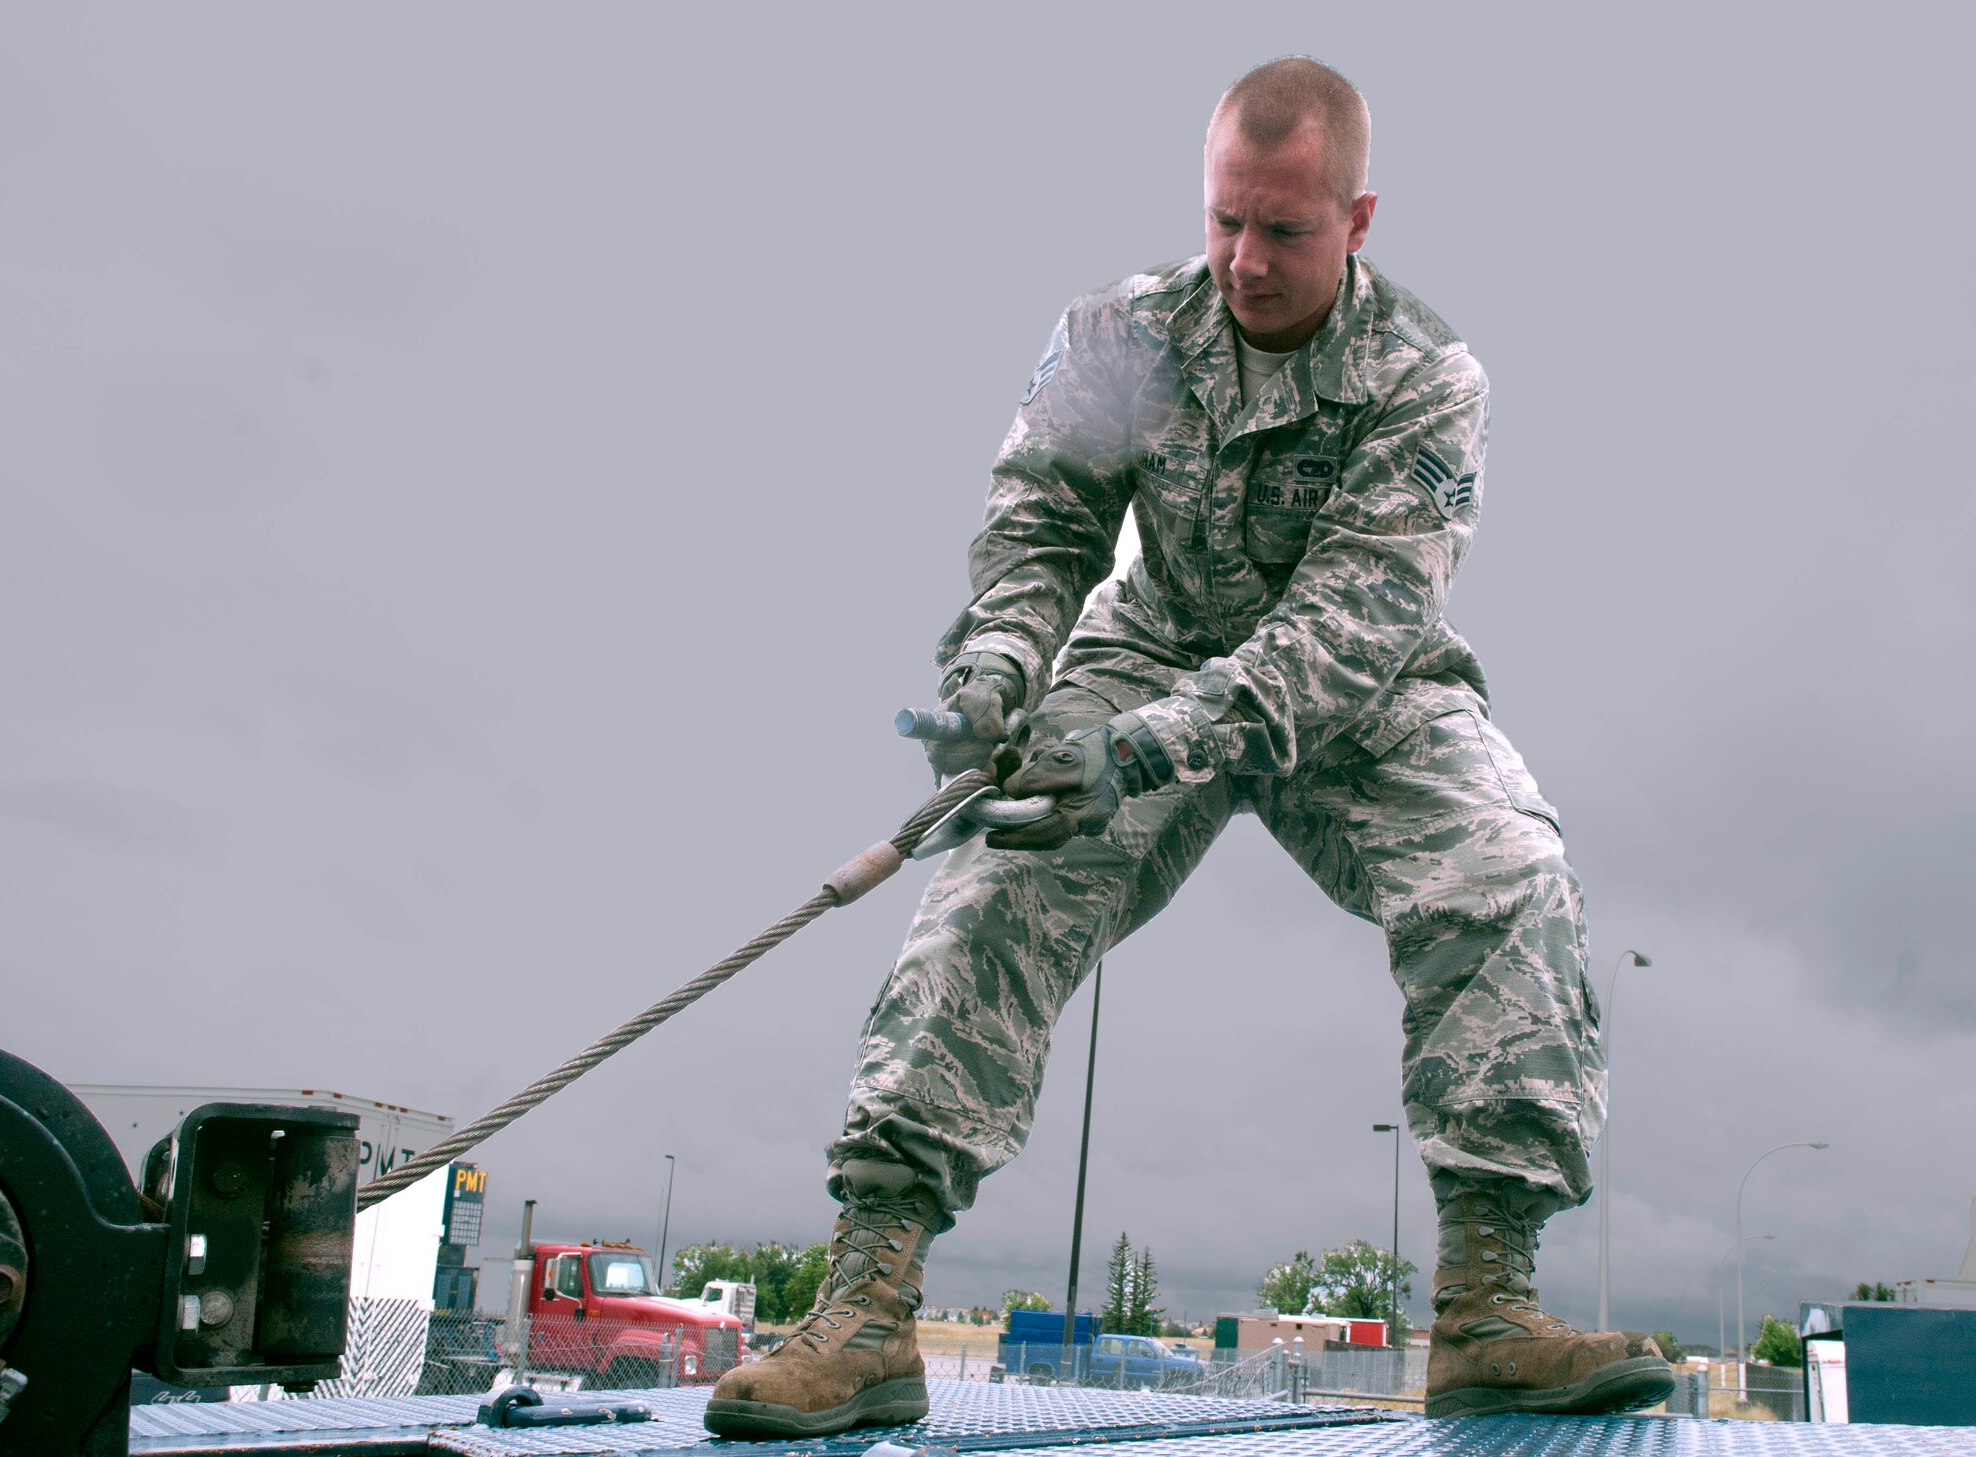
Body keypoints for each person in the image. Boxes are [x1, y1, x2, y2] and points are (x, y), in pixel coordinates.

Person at [704, 55, 1671, 1435]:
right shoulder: (1120, 331)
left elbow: (1355, 616)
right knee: (993, 885)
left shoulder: (1427, 377)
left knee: (1508, 874)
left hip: (1363, 685)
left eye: (1284, 230)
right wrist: (996, 671)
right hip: (1150, 645)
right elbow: (1043, 521)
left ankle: (1488, 1307)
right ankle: (865, 1307)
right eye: (1226, 221)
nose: (1245, 262)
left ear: (1358, 220)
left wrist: (1151, 748)